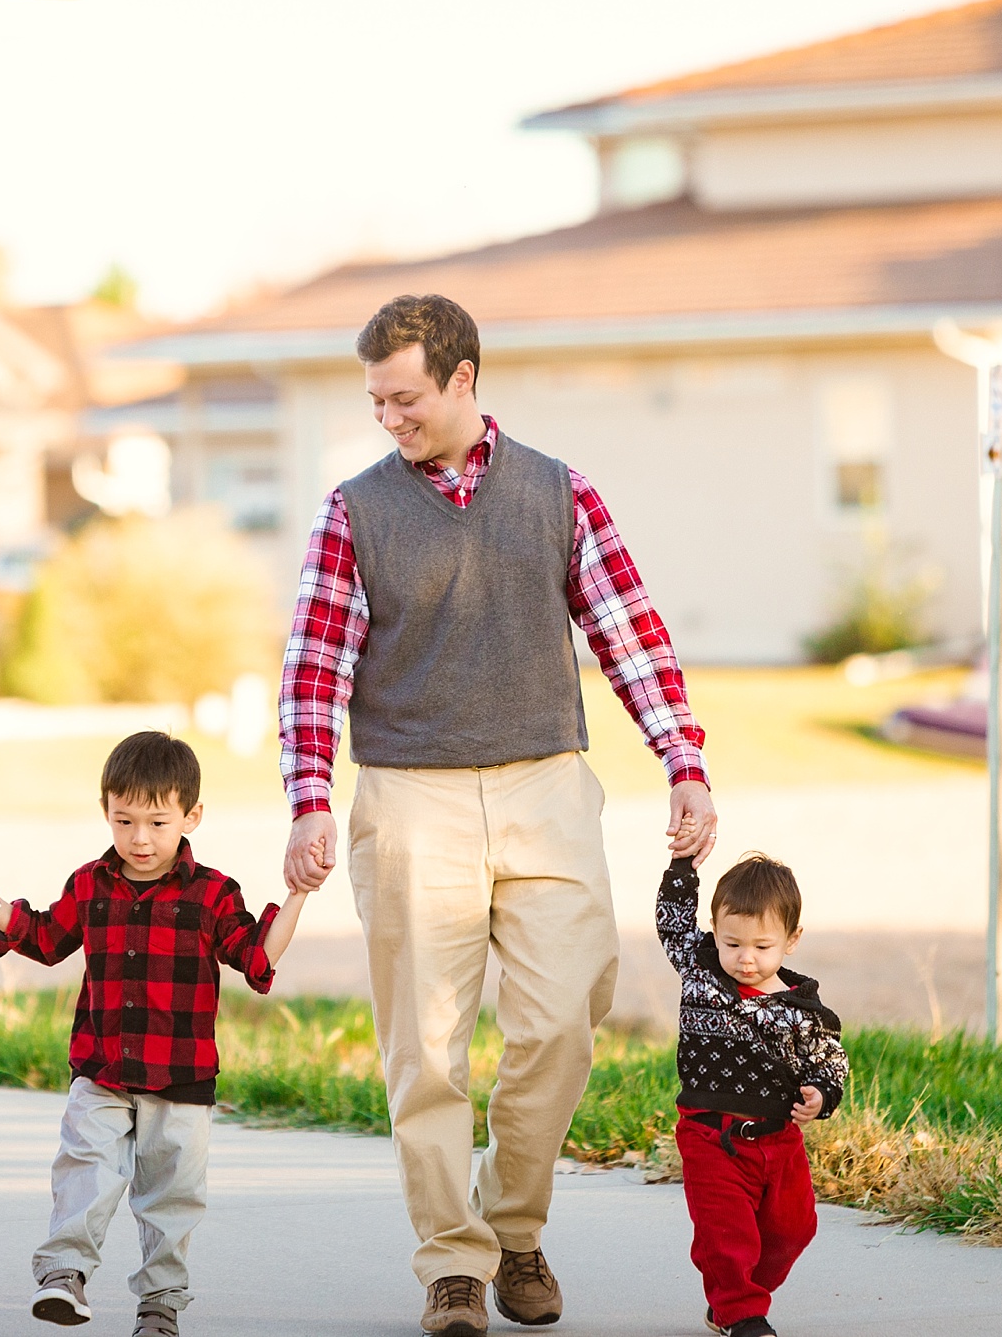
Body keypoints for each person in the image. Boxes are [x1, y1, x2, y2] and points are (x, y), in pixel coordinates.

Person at [278, 293, 718, 1337]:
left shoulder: (559, 495)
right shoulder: (354, 511)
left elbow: (629, 632)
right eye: (376, 403)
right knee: (425, 1048)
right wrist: (308, 799)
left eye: (406, 398)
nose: (390, 419)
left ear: (463, 378)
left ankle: (513, 1224)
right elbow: (312, 671)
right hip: (408, 793)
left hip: (544, 786)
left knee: (562, 1021)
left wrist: (682, 761)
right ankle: (453, 1266)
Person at [0, 731, 305, 1337]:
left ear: (191, 817)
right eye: (124, 821)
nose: (140, 839)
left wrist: (297, 894)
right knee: (85, 1166)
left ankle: (161, 1304)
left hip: (181, 1078)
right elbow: (46, 938)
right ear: (107, 811)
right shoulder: (91, 883)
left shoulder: (210, 894)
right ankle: (63, 1275)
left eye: (157, 821)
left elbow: (256, 958)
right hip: (101, 1067)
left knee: (171, 1197)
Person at [656, 852, 847, 1337]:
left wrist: (822, 1095)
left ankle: (732, 1296)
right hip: (709, 1135)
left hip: (778, 1141)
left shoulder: (803, 1009)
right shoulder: (702, 973)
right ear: (714, 932)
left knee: (793, 1229)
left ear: (791, 940)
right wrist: (682, 867)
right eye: (731, 942)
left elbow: (831, 1061)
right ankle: (740, 1312)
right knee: (727, 1235)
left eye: (763, 946)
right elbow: (674, 924)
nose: (745, 958)